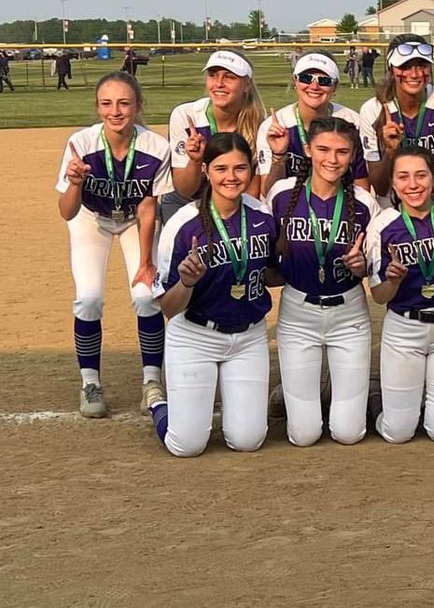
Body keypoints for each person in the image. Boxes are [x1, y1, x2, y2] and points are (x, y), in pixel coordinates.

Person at [147, 133, 278, 457]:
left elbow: (274, 270)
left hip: (248, 337)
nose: (231, 177)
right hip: (195, 335)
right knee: (186, 445)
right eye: (221, 168)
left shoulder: (262, 216)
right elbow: (168, 307)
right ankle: (158, 403)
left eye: (239, 168)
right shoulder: (184, 224)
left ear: (251, 170)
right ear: (205, 170)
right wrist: (187, 282)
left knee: (248, 441)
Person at [56, 71, 172, 418]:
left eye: (124, 102)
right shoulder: (82, 143)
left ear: (137, 106)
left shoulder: (156, 146)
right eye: (107, 103)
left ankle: (152, 380)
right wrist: (75, 183)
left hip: (137, 222)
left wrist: (147, 264)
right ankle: (89, 381)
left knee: (145, 295)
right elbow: (66, 211)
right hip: (91, 219)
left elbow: (149, 206)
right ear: (97, 107)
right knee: (89, 298)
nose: (115, 110)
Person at [265, 118, 379, 446]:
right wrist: (275, 158)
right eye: (323, 149)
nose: (332, 159)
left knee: (348, 433)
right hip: (298, 312)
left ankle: (368, 396)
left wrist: (361, 268)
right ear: (308, 150)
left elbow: (374, 268)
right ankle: (323, 388)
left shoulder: (364, 203)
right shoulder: (282, 194)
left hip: (349, 313)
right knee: (303, 435)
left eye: (342, 151)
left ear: (353, 155)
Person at [365, 145, 434, 443]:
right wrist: (393, 281)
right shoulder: (383, 225)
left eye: (421, 175)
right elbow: (379, 296)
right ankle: (377, 398)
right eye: (403, 177)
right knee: (398, 433)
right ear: (394, 183)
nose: (413, 185)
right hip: (404, 329)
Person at [360, 35, 434, 206]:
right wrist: (390, 151)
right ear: (391, 69)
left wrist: (429, 209)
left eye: (422, 66)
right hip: (393, 200)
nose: (415, 74)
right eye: (405, 66)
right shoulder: (372, 110)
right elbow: (380, 188)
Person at [163, 50, 266, 222]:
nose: (219, 83)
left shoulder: (258, 124)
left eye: (229, 77)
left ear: (246, 84)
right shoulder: (186, 115)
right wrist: (195, 161)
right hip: (187, 202)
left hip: (234, 205)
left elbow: (252, 192)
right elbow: (184, 189)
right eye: (213, 75)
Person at [256, 51, 379, 195]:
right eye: (306, 78)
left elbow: (362, 188)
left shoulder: (353, 122)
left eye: (324, 81)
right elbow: (268, 192)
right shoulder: (274, 126)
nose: (314, 86)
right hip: (288, 212)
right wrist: (278, 157)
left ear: (335, 87)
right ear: (295, 81)